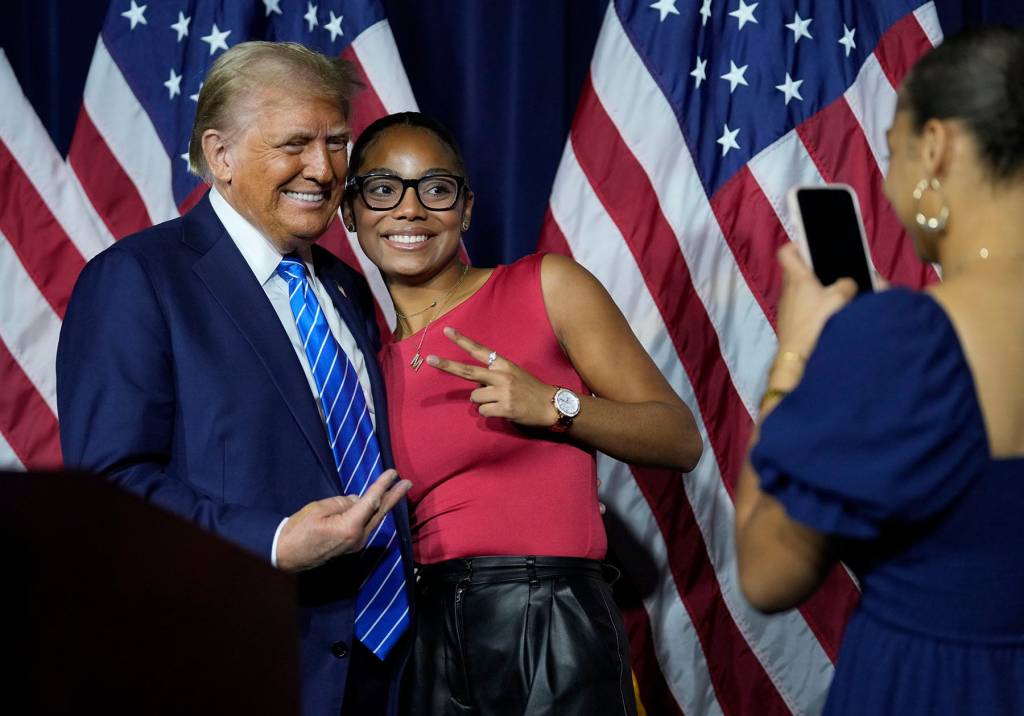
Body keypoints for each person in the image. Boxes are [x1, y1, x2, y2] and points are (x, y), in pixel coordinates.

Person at [56, 42, 414, 716]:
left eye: (337, 142)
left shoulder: (346, 289)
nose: (325, 167)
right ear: (220, 155)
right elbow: (108, 490)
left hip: (383, 674)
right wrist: (275, 542)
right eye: (295, 143)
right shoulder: (138, 280)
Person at [340, 111, 703, 716]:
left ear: (466, 209)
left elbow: (680, 439)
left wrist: (555, 406)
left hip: (551, 615)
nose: (410, 209)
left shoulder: (544, 285)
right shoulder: (364, 366)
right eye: (383, 189)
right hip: (424, 634)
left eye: (435, 188)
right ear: (351, 213)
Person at [735, 26, 1024, 715]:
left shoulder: (901, 342)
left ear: (935, 146)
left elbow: (766, 572)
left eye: (892, 152)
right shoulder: (905, 342)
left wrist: (798, 351)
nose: (891, 182)